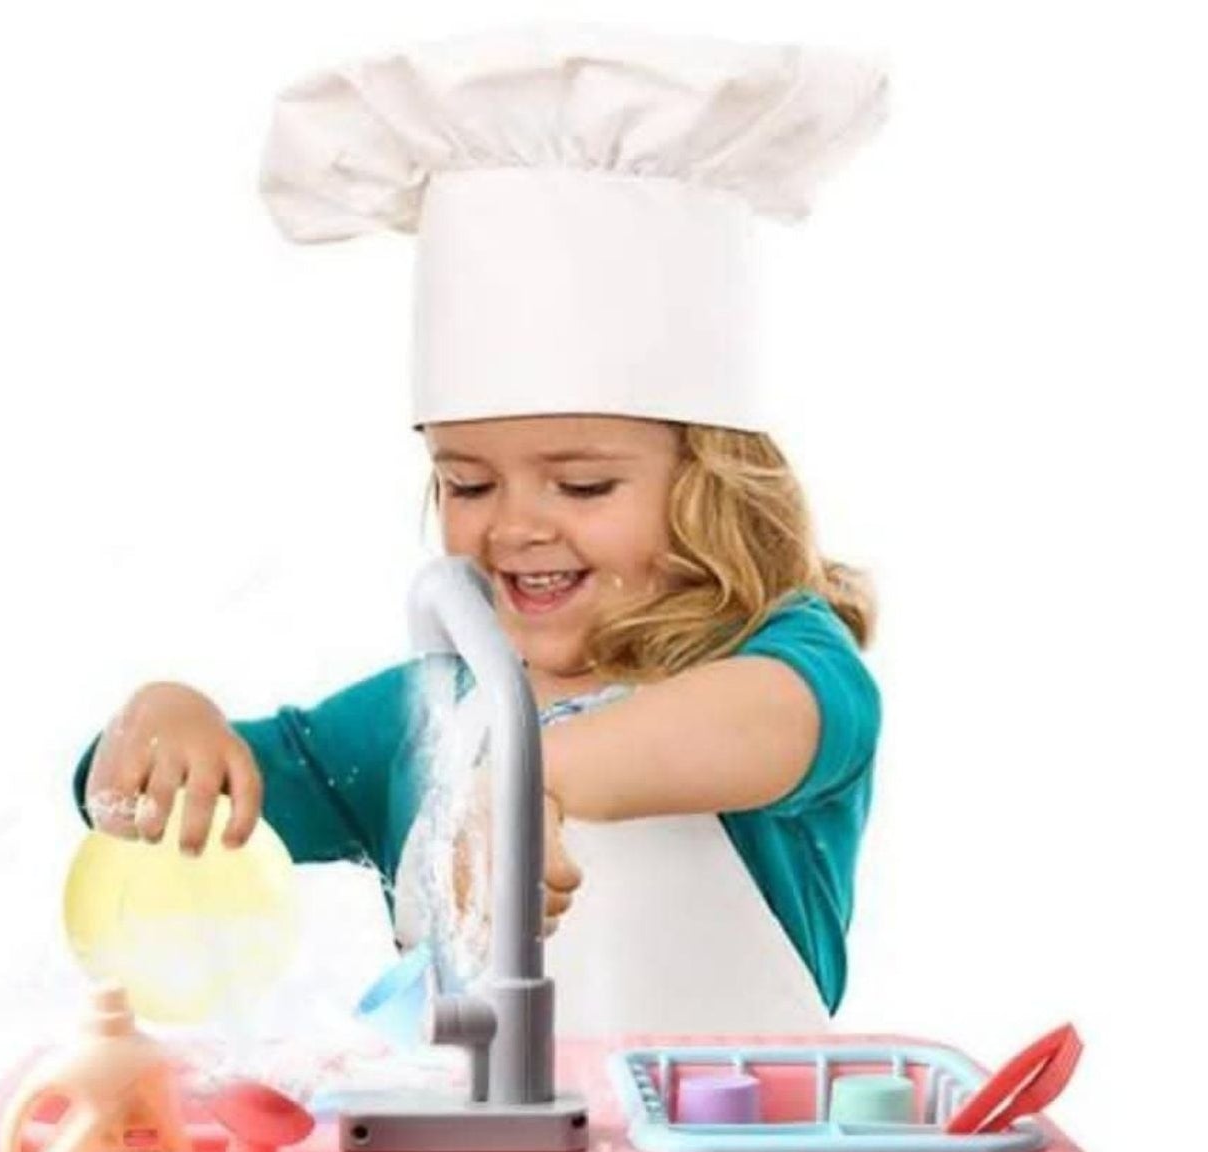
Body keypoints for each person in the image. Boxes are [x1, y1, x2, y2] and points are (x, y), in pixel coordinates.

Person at [78, 26, 888, 1034]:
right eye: (466, 482)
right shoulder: (426, 715)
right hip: (467, 1144)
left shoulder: (786, 665)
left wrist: (531, 779)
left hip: (741, 1140)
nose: (516, 525)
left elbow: (775, 717)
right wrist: (161, 724)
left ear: (712, 488)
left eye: (583, 484)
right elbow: (181, 809)